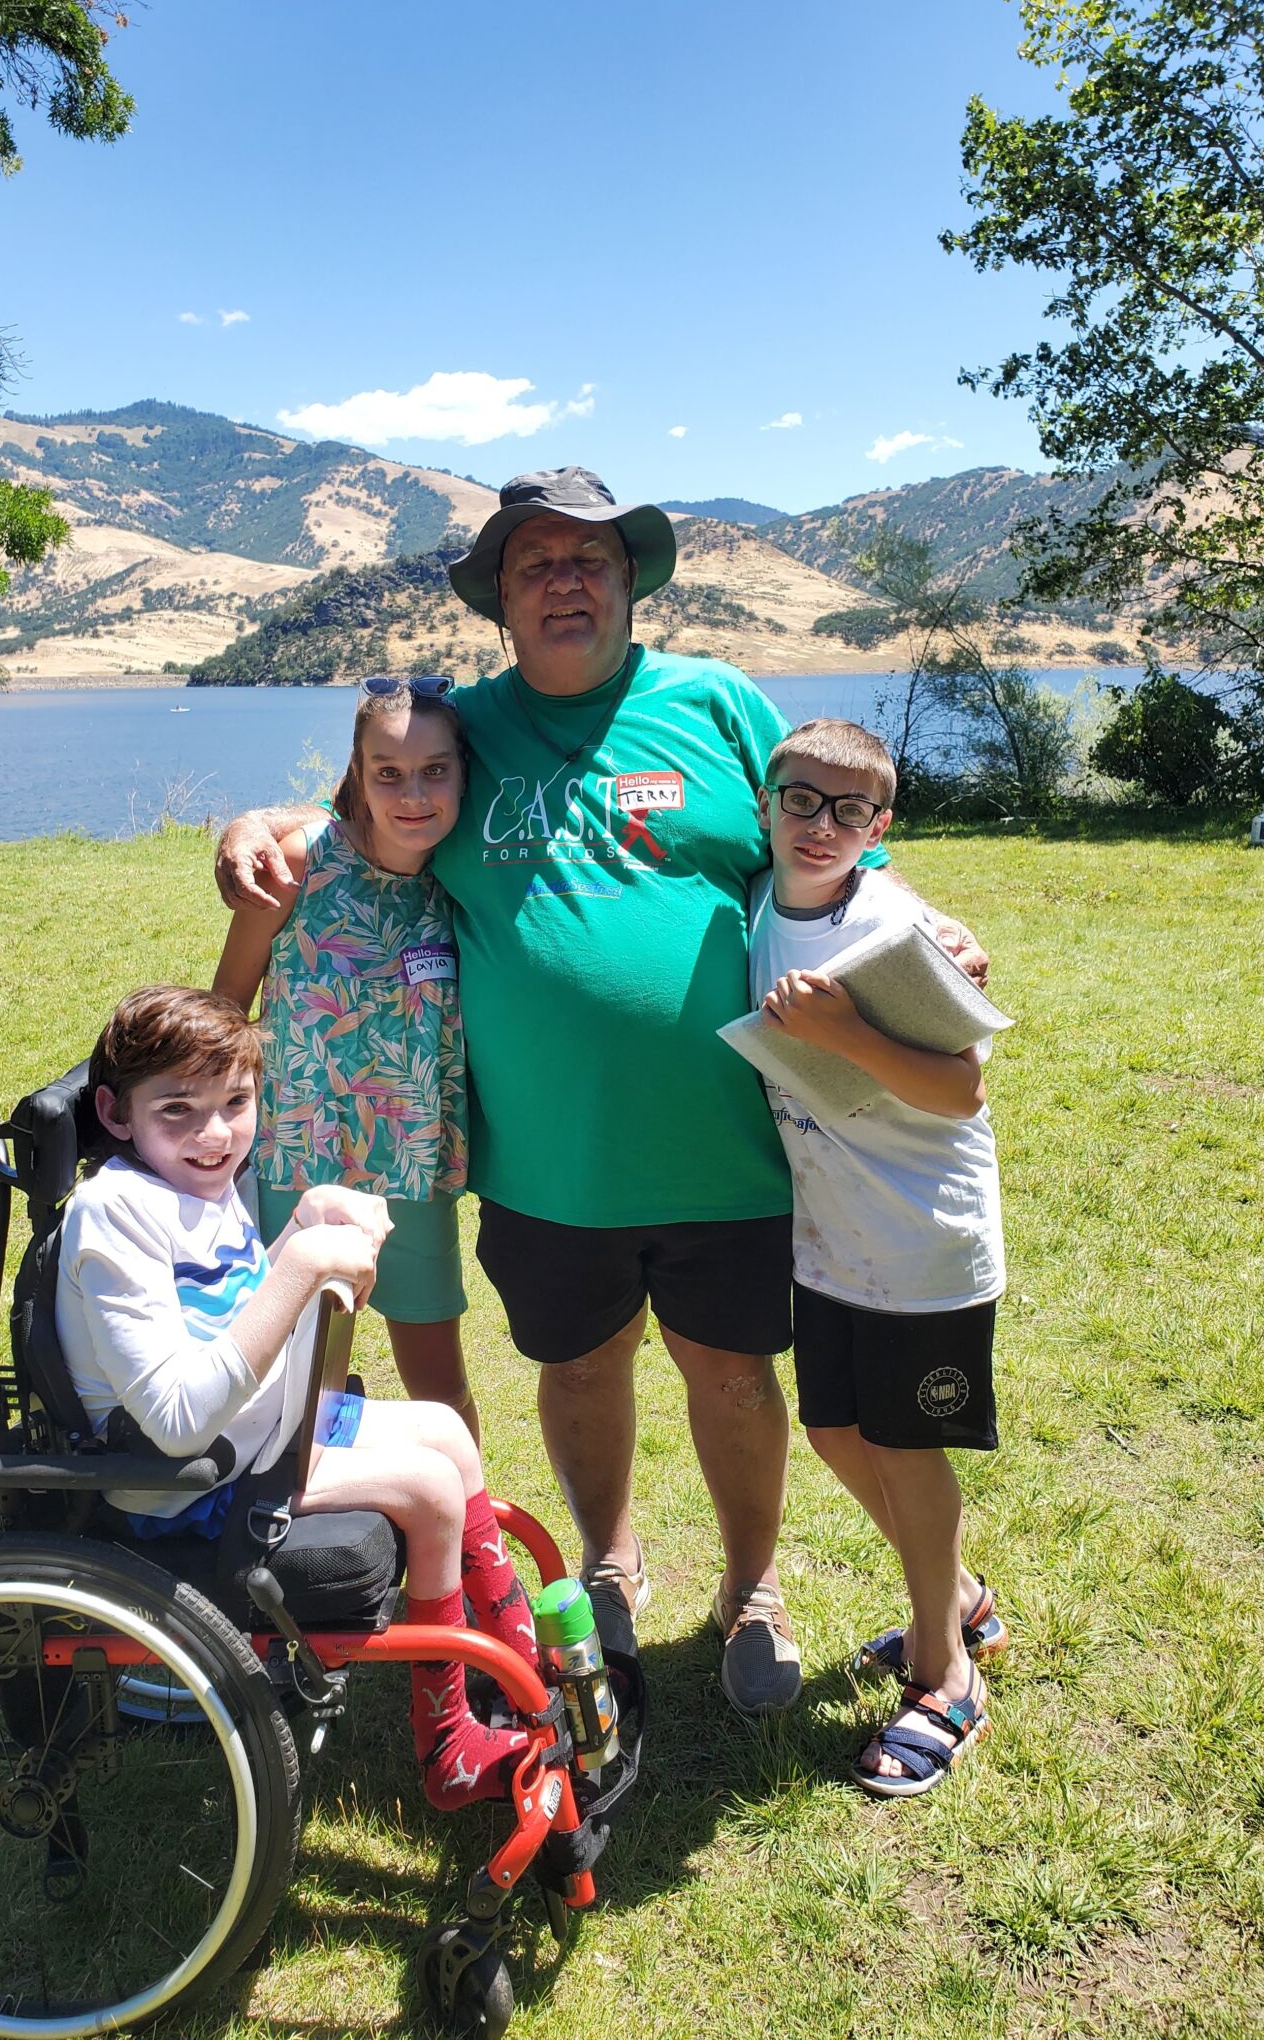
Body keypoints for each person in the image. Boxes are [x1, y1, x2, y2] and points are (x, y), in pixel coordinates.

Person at [214, 468, 989, 1720]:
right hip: (543, 1159)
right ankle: (612, 1562)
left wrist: (927, 925)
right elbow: (371, 798)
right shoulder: (467, 727)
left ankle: (751, 1589)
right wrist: (257, 818)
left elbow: (840, 845)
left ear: (630, 582)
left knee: (733, 1375)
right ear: (502, 601)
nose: (565, 580)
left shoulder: (718, 705)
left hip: (724, 1147)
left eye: (589, 559)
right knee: (577, 1371)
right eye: (536, 565)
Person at [55, 985, 543, 1811]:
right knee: (428, 1490)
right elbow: (174, 1423)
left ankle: (515, 1664)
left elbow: (233, 1313)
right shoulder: (115, 1215)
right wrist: (300, 1265)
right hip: (187, 1486)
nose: (214, 1135)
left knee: (445, 1434)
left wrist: (301, 1223)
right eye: (178, 1110)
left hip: (255, 1435)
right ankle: (450, 1745)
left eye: (236, 1103)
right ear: (114, 1111)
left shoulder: (195, 1186)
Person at [752, 718, 1005, 1796]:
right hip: (831, 1237)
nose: (822, 825)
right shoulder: (762, 900)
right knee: (832, 1426)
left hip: (922, 1239)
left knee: (905, 1443)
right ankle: (960, 1595)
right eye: (802, 799)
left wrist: (845, 1033)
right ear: (764, 799)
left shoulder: (900, 929)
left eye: (852, 810)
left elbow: (963, 1086)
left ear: (882, 825)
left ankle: (946, 1675)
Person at [213, 676, 478, 1442]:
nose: (413, 794)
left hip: (413, 1162)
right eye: (387, 773)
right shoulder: (302, 861)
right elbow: (229, 1006)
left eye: (435, 770)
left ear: (463, 772)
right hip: (299, 1155)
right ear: (357, 775)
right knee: (297, 1376)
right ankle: (291, 1537)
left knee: (440, 1387)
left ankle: (467, 1547)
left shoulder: (463, 874)